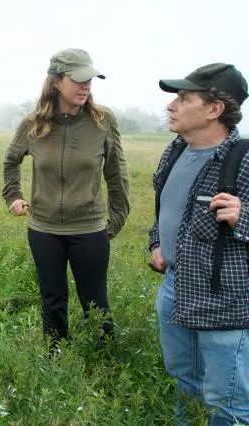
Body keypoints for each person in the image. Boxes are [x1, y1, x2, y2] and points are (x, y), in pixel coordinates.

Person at [2, 48, 129, 353]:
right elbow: (11, 161)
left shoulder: (102, 121)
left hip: (89, 230)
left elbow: (116, 173)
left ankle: (103, 361)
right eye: (79, 79)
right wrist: (13, 196)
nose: (87, 86)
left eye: (90, 80)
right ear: (57, 81)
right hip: (44, 230)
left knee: (95, 301)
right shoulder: (34, 124)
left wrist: (116, 219)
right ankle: (55, 357)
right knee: (52, 299)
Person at [149, 63, 249, 424]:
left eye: (184, 98)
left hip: (223, 298)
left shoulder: (244, 159)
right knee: (185, 384)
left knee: (227, 399)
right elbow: (164, 209)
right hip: (175, 287)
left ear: (213, 109)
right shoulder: (175, 150)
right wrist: (157, 244)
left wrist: (244, 216)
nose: (172, 106)